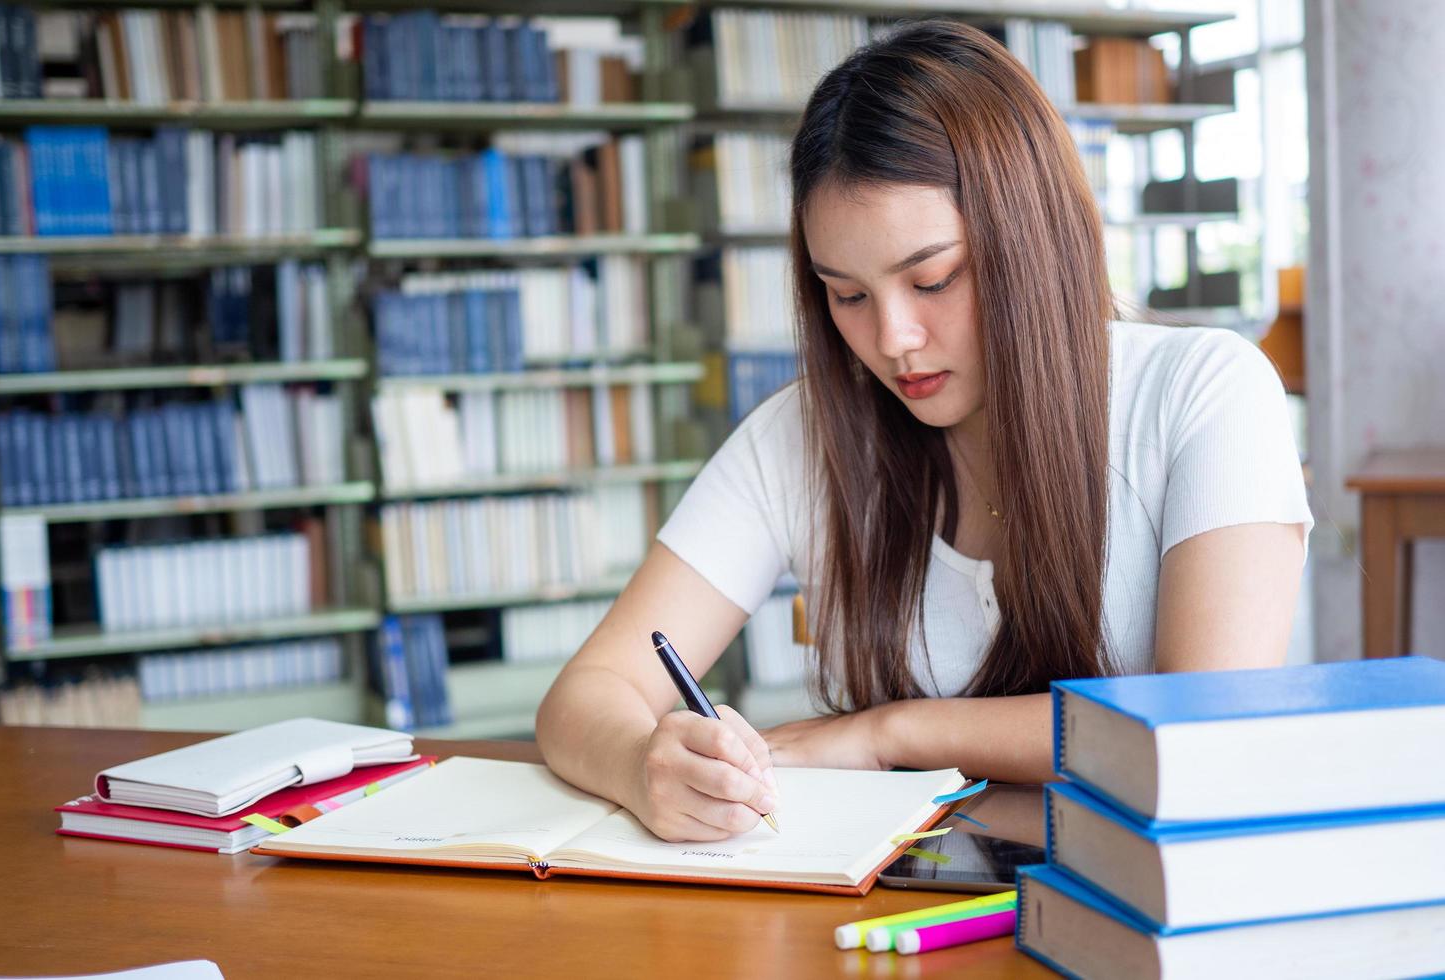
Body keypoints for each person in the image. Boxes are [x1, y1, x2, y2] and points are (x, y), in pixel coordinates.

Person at [536, 20, 1312, 843]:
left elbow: (1194, 737)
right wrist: (643, 766)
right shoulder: (801, 436)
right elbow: (588, 691)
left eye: (933, 278)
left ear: (1030, 237)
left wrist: (890, 736)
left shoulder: (1206, 394)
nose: (893, 338)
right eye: (848, 295)